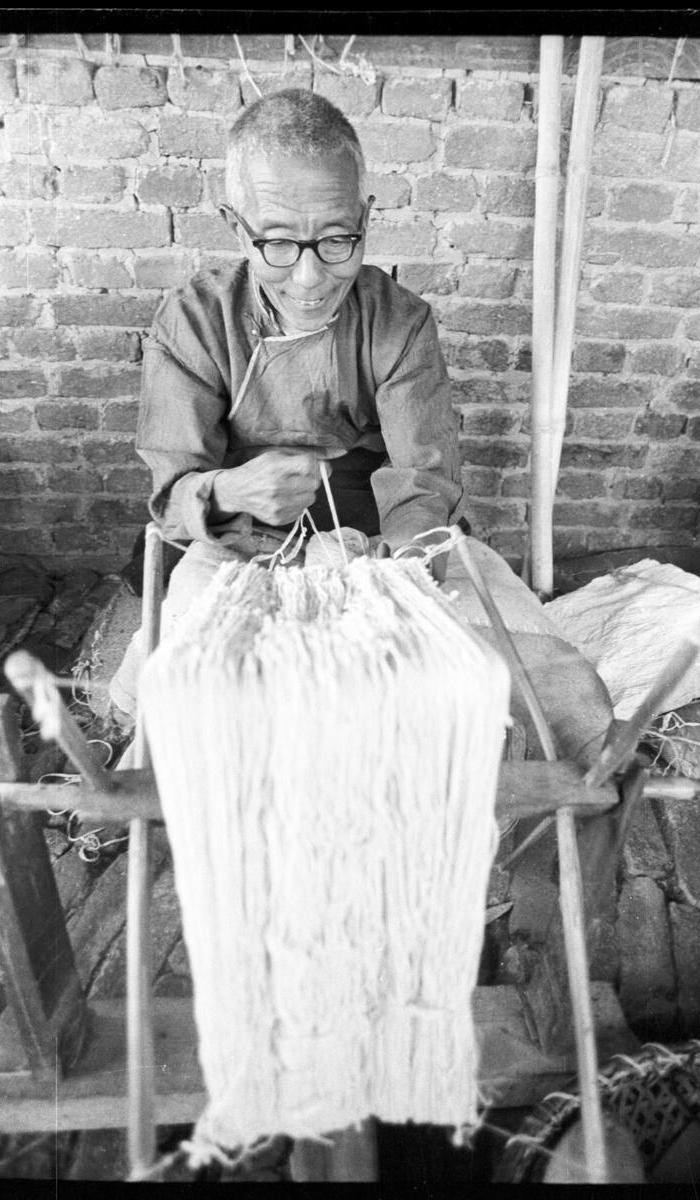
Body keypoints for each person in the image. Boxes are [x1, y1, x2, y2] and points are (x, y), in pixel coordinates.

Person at [109, 88, 612, 767]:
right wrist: (229, 490)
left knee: (526, 682)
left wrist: (399, 582)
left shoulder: (399, 321)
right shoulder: (194, 322)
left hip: (382, 542)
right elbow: (172, 500)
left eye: (338, 239)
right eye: (277, 242)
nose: (310, 277)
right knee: (195, 702)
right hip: (240, 545)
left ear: (365, 219)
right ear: (235, 227)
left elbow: (422, 481)